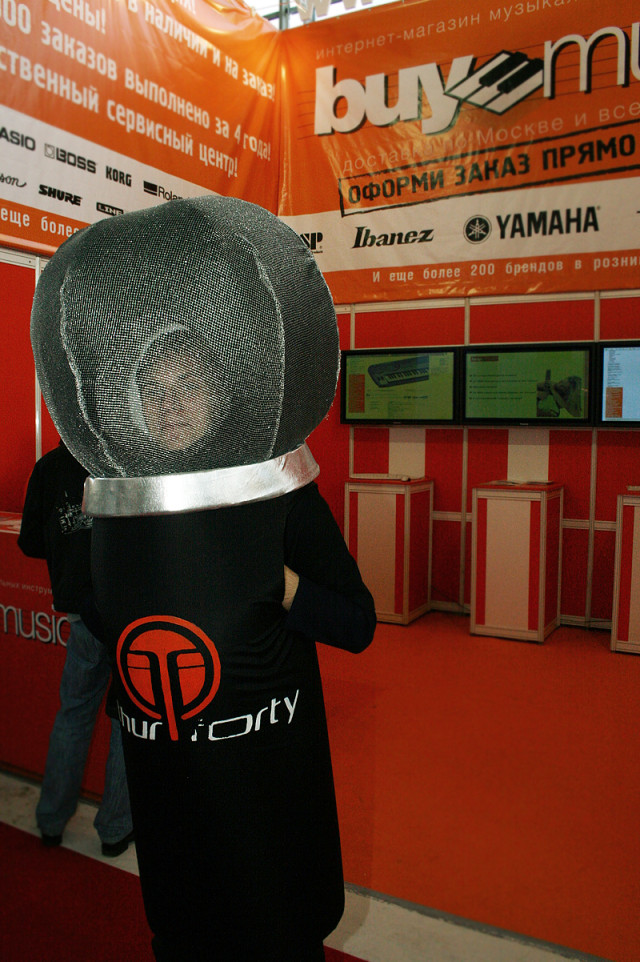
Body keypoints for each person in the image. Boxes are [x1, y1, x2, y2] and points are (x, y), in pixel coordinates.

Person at [29, 195, 377, 961]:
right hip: (176, 829)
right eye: (153, 390)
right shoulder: (123, 503)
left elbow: (358, 623)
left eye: (188, 384)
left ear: (222, 392)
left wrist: (279, 589)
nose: (171, 404)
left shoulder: (282, 496)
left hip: (273, 834)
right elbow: (91, 603)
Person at [18, 440, 133, 857]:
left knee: (74, 714)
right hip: (125, 613)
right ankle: (115, 830)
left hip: (81, 613)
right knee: (126, 721)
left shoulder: (49, 466)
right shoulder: (123, 458)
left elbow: (30, 542)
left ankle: (51, 820)